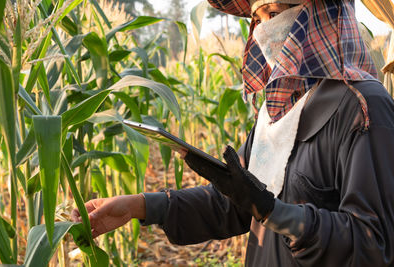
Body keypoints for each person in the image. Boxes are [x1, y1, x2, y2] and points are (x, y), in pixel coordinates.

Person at [72, 0, 394, 266]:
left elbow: (373, 246)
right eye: (257, 17)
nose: (262, 29)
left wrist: (273, 212)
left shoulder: (363, 109)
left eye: (271, 11)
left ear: (321, 12)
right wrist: (138, 206)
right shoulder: (276, 111)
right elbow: (235, 203)